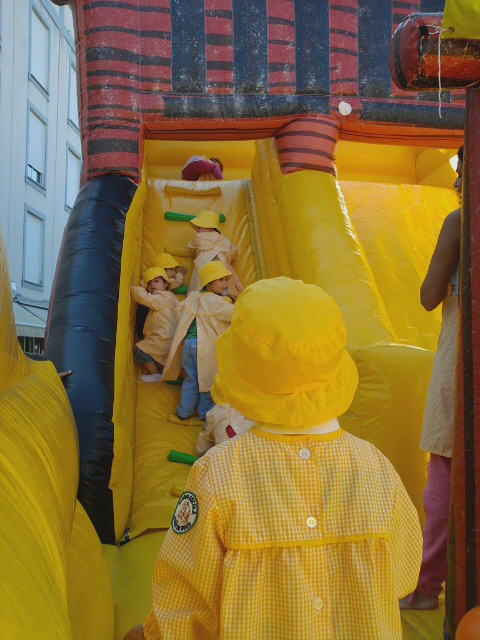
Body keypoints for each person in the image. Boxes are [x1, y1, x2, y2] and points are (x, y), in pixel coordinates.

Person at [124, 277, 422, 640]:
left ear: (241, 372)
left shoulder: (217, 474)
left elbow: (187, 602)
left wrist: (147, 633)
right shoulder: (377, 467)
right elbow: (403, 574)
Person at [400, 146, 463, 610]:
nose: (457, 182)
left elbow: (427, 296)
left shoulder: (460, 221)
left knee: (442, 478)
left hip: (460, 365)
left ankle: (427, 588)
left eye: (463, 169)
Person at [162, 261, 234, 424]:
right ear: (209, 283)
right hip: (206, 347)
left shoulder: (193, 296)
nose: (225, 284)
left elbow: (180, 309)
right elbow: (233, 313)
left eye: (226, 280)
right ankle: (205, 416)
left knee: (191, 379)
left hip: (189, 344)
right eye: (221, 280)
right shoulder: (217, 302)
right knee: (208, 380)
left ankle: (184, 413)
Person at [130, 267, 179, 383]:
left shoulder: (161, 297)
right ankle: (158, 370)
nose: (152, 285)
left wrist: (134, 288)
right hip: (171, 341)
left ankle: (156, 374)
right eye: (149, 283)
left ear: (166, 284)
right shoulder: (173, 298)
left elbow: (144, 298)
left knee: (139, 350)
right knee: (147, 366)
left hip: (162, 339)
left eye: (156, 281)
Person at [187, 210, 243, 299]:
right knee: (223, 278)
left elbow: (190, 248)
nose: (197, 230)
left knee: (200, 281)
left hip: (204, 260)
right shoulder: (223, 239)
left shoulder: (199, 237)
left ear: (209, 228)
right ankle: (225, 295)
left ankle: (199, 297)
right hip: (221, 259)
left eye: (199, 227)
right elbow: (234, 252)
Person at [135, 253, 186, 338]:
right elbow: (175, 282)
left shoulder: (165, 290)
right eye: (171, 269)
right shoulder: (155, 285)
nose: (174, 273)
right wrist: (180, 274)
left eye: (175, 270)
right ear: (162, 270)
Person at [195, 384, 253, 456]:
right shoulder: (250, 409)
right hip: (248, 451)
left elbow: (205, 438)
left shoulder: (214, 412)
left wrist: (200, 454)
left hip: (223, 454)